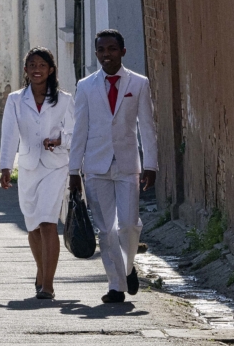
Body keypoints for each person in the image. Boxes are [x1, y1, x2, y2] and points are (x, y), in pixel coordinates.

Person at [69, 29, 158, 304]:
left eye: (111, 49)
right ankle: (116, 286)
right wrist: (74, 170)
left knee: (129, 225)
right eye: (101, 50)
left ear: (122, 51)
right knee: (106, 229)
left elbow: (147, 126)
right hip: (95, 166)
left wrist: (151, 164)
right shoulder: (86, 86)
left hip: (128, 164)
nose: (106, 55)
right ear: (96, 53)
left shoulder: (138, 83)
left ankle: (128, 268)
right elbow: (79, 129)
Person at [0, 47, 74, 300]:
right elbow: (9, 134)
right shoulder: (15, 100)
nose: (37, 70)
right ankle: (41, 271)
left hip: (55, 166)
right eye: (32, 65)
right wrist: (6, 167)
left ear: (51, 70)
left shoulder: (64, 100)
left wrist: (59, 140)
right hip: (29, 166)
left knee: (47, 221)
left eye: (42, 65)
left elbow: (75, 133)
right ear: (26, 70)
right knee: (32, 225)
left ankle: (48, 285)